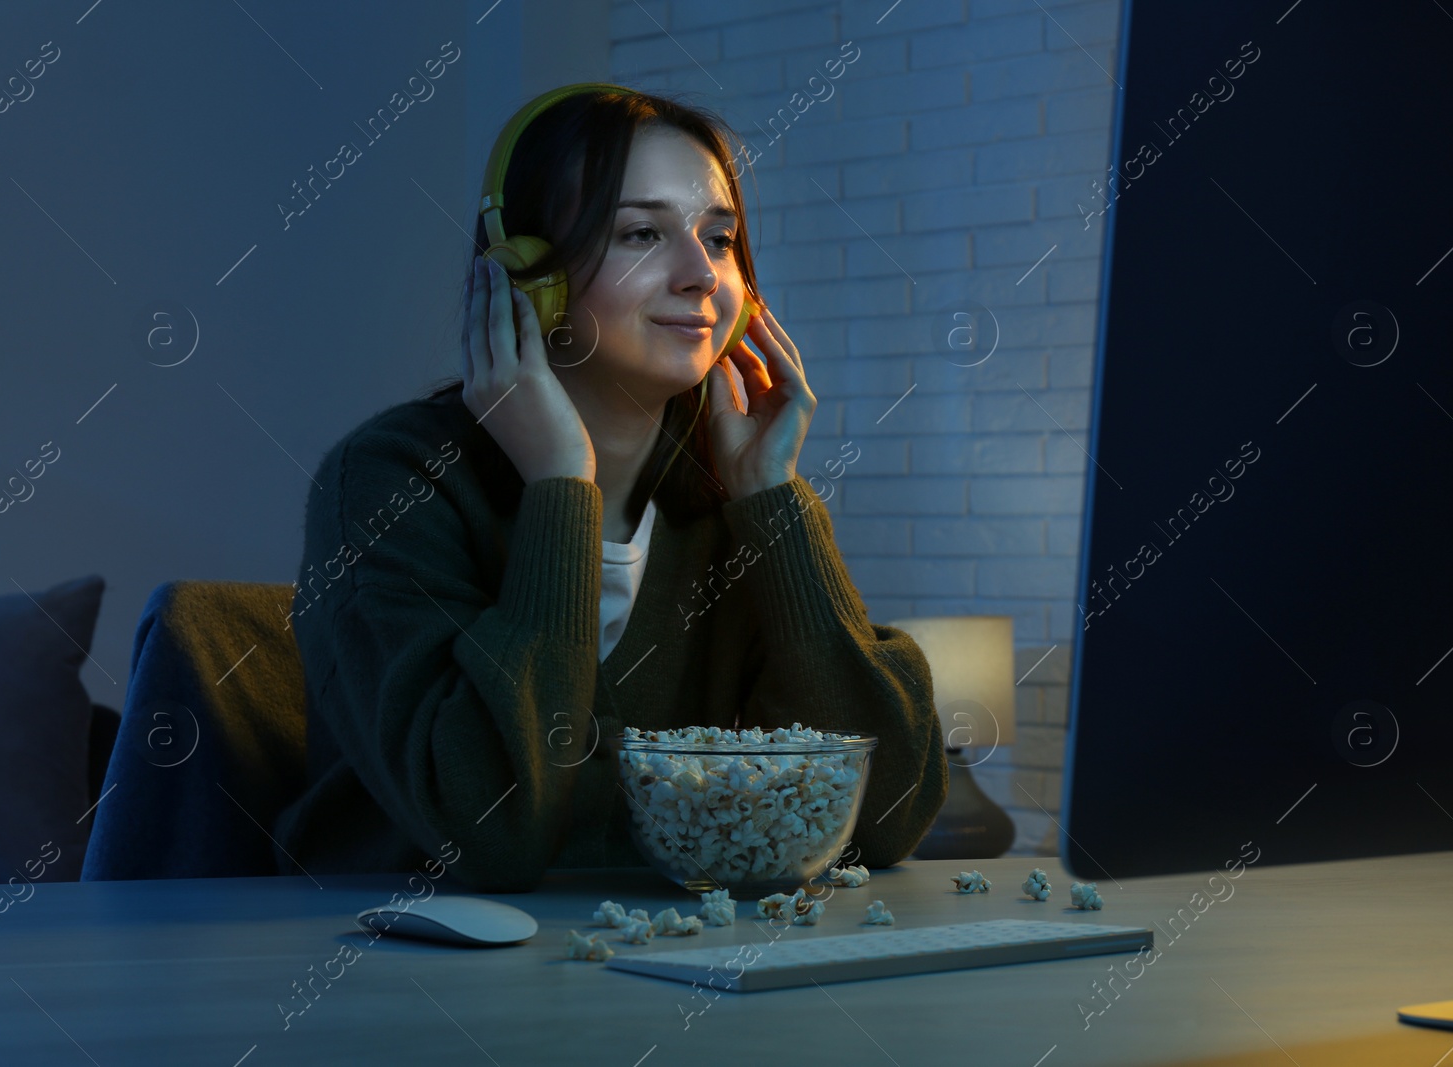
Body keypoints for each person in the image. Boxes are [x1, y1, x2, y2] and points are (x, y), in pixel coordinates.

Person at [270, 85, 948, 893]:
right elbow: (492, 832)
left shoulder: (734, 492)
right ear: (530, 275)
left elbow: (888, 817)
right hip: (405, 977)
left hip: (653, 975)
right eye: (641, 233)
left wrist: (774, 503)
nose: (701, 274)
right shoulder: (391, 483)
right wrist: (560, 488)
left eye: (721, 239)